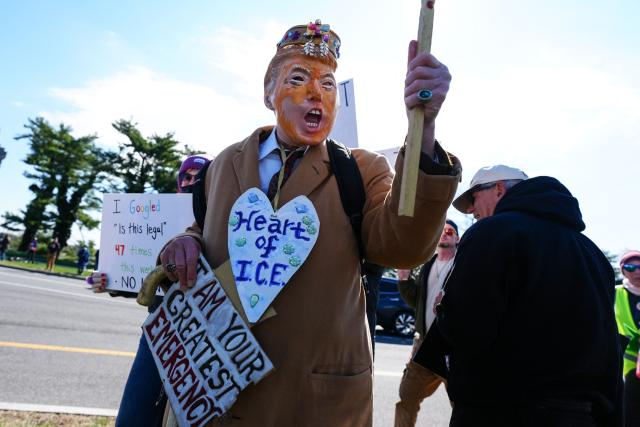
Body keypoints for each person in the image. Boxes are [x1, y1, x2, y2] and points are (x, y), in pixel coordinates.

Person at [160, 19, 461, 426]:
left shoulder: (361, 170)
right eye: (298, 78)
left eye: (329, 83)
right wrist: (185, 241)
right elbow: (207, 228)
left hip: (316, 403)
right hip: (216, 399)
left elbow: (403, 245)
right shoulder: (224, 164)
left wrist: (422, 129)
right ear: (269, 93)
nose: (316, 92)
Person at [416, 165, 622, 426]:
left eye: (474, 198)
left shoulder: (491, 233)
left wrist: (444, 309)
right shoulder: (593, 255)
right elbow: (608, 350)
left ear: (499, 189)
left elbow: (467, 329)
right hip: (580, 416)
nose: (471, 210)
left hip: (500, 411)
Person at [88, 153, 211, 427]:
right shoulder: (157, 216)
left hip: (206, 339)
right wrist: (110, 279)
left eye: (199, 177)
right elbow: (139, 273)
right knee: (135, 414)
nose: (191, 182)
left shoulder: (218, 217)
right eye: (186, 176)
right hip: (160, 334)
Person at [394, 219, 459, 427]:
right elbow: (416, 300)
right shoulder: (428, 265)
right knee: (407, 397)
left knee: (463, 405)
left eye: (450, 231)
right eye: (441, 230)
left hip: (453, 348)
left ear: (457, 238)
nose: (445, 234)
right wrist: (404, 280)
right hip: (424, 344)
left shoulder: (463, 263)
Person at [615, 250, 640, 426]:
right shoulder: (615, 292)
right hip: (629, 364)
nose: (637, 272)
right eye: (631, 267)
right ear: (623, 270)